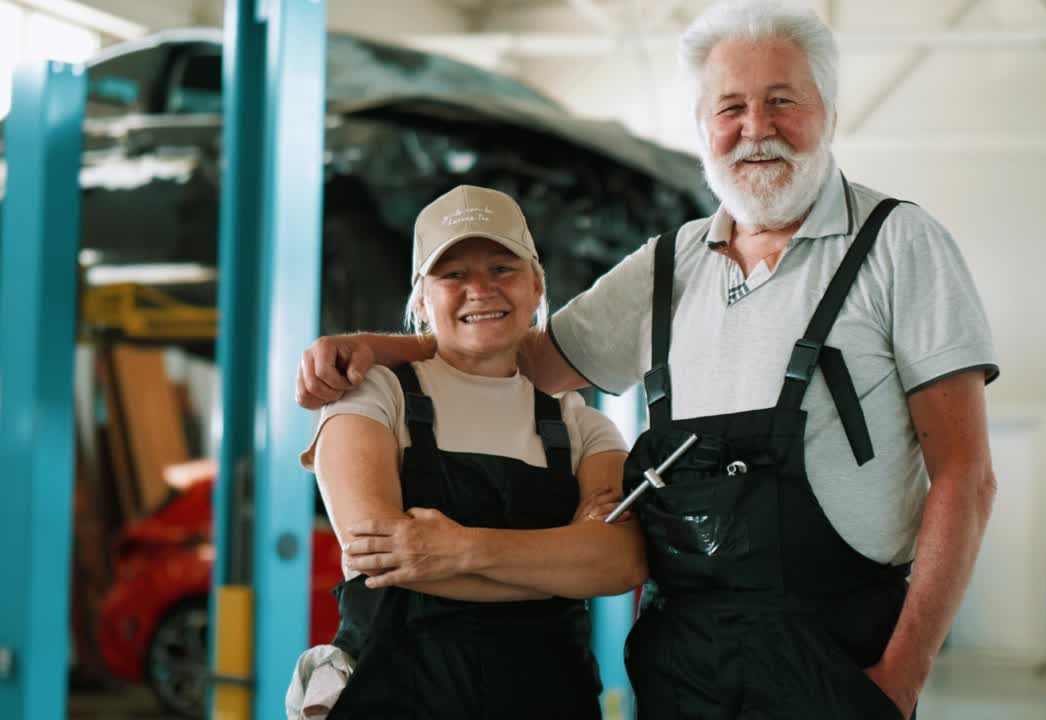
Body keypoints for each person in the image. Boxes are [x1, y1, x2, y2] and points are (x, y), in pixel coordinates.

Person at [296, 2, 999, 717]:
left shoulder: (898, 245)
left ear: (827, 111)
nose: (756, 128)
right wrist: (380, 348)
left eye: (782, 101)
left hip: (837, 650)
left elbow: (965, 475)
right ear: (701, 126)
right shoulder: (668, 266)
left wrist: (905, 670)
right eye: (731, 107)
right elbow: (523, 355)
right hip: (684, 659)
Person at [286, 185, 646, 720]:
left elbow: (620, 562)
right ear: (421, 299)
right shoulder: (373, 396)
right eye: (452, 274)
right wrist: (555, 566)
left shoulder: (580, 424)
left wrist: (457, 550)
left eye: (502, 268)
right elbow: (382, 558)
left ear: (536, 285)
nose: (480, 289)